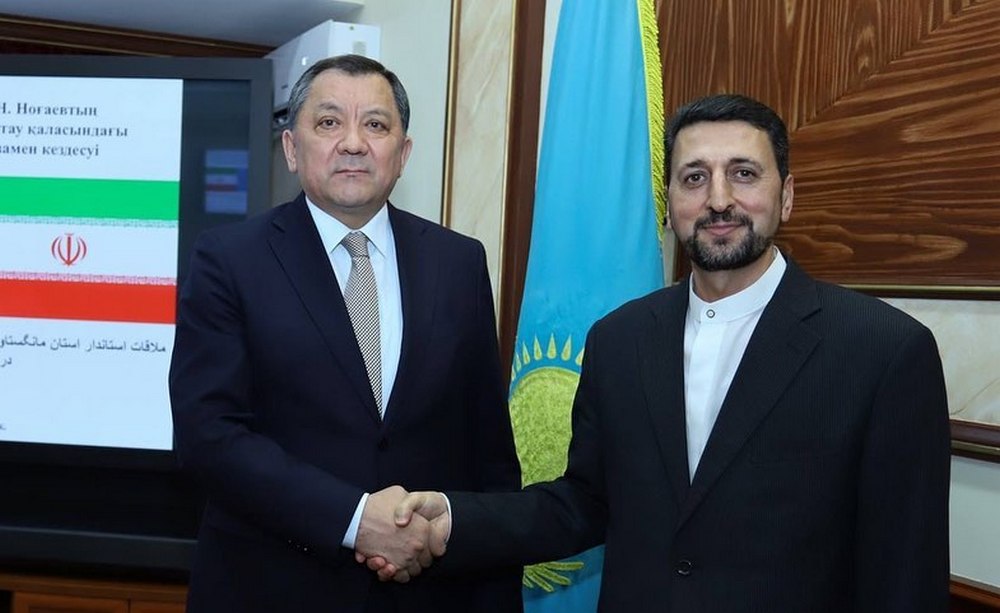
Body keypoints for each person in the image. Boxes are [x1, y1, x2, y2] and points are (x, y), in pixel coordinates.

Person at [381, 94, 952, 612]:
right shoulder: (619, 339)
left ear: (786, 197)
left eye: (744, 174)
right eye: (694, 178)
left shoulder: (884, 351)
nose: (719, 200)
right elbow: (585, 503)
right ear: (670, 201)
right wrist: (452, 521)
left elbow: (905, 572)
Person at [168, 54, 522, 613]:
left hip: (430, 596)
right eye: (329, 122)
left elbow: (490, 457)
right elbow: (208, 435)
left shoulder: (458, 263)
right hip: (273, 590)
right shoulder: (229, 261)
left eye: (375, 125)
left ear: (403, 153)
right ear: (291, 148)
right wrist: (356, 520)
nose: (353, 143)